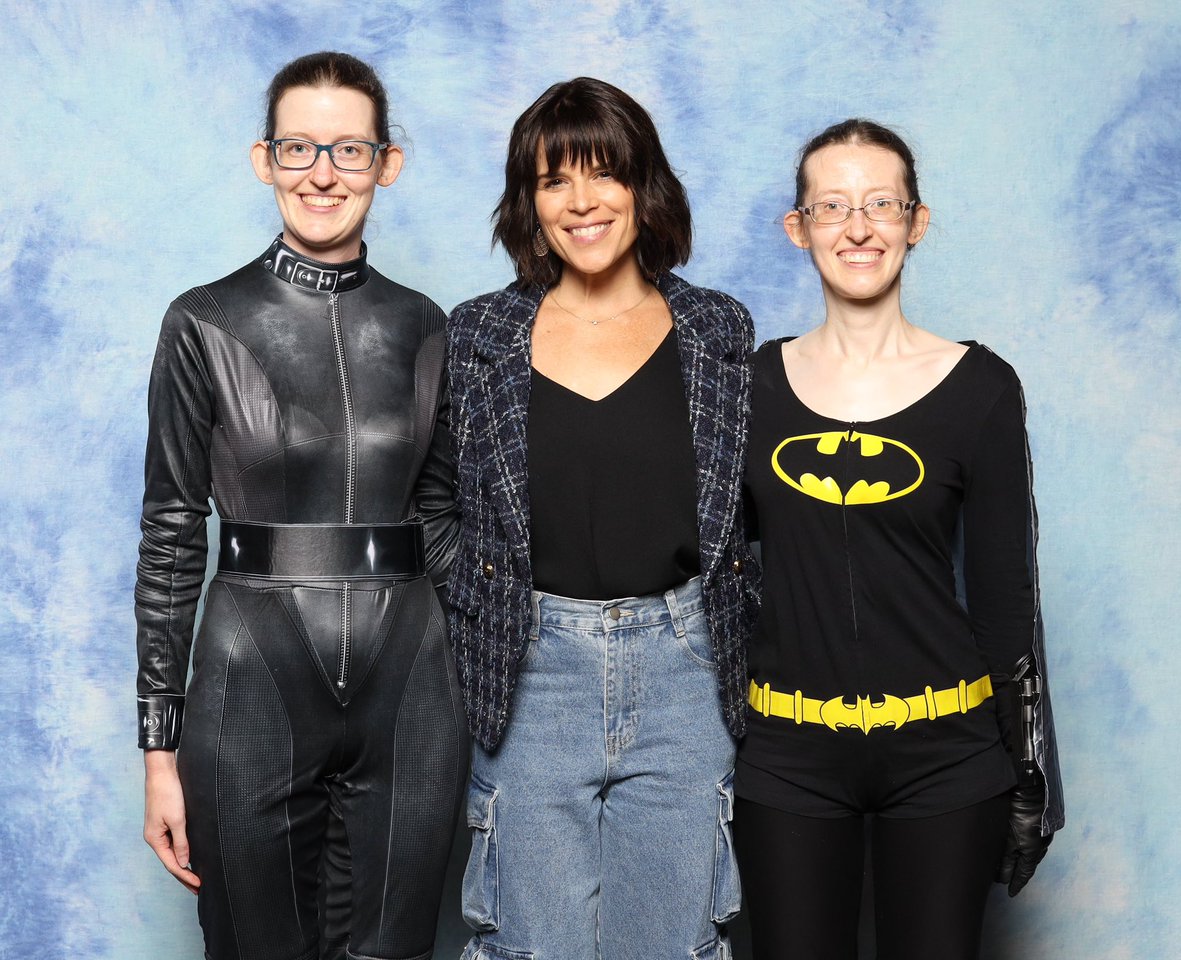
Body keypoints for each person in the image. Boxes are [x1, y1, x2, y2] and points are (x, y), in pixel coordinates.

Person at [135, 51, 468, 960]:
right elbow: (171, 531)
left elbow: (440, 516)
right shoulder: (202, 321)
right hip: (250, 681)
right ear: (264, 159)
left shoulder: (427, 324)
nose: (323, 173)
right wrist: (159, 751)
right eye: (299, 148)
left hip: (415, 692)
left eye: (349, 150)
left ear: (386, 165)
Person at [734, 119, 1065, 959]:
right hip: (788, 756)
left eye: (881, 204)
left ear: (915, 222)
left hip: (945, 755)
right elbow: (714, 581)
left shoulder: (980, 387)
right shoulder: (748, 388)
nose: (857, 227)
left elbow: (1005, 595)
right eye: (833, 206)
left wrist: (1029, 770)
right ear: (797, 227)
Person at [444, 77, 758, 960]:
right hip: (531, 669)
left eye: (602, 175)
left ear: (642, 186)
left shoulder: (717, 330)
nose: (582, 203)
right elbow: (437, 502)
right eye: (554, 181)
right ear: (530, 202)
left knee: (674, 942)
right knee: (529, 945)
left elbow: (751, 520)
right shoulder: (480, 336)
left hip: (685, 671)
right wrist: (480, 604)